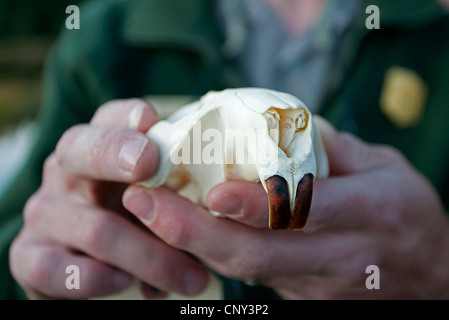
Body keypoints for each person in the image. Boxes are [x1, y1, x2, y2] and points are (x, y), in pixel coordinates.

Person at [2, 0, 449, 300]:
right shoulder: (103, 38)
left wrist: (437, 269)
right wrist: (35, 265)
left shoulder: (436, 36)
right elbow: (17, 233)